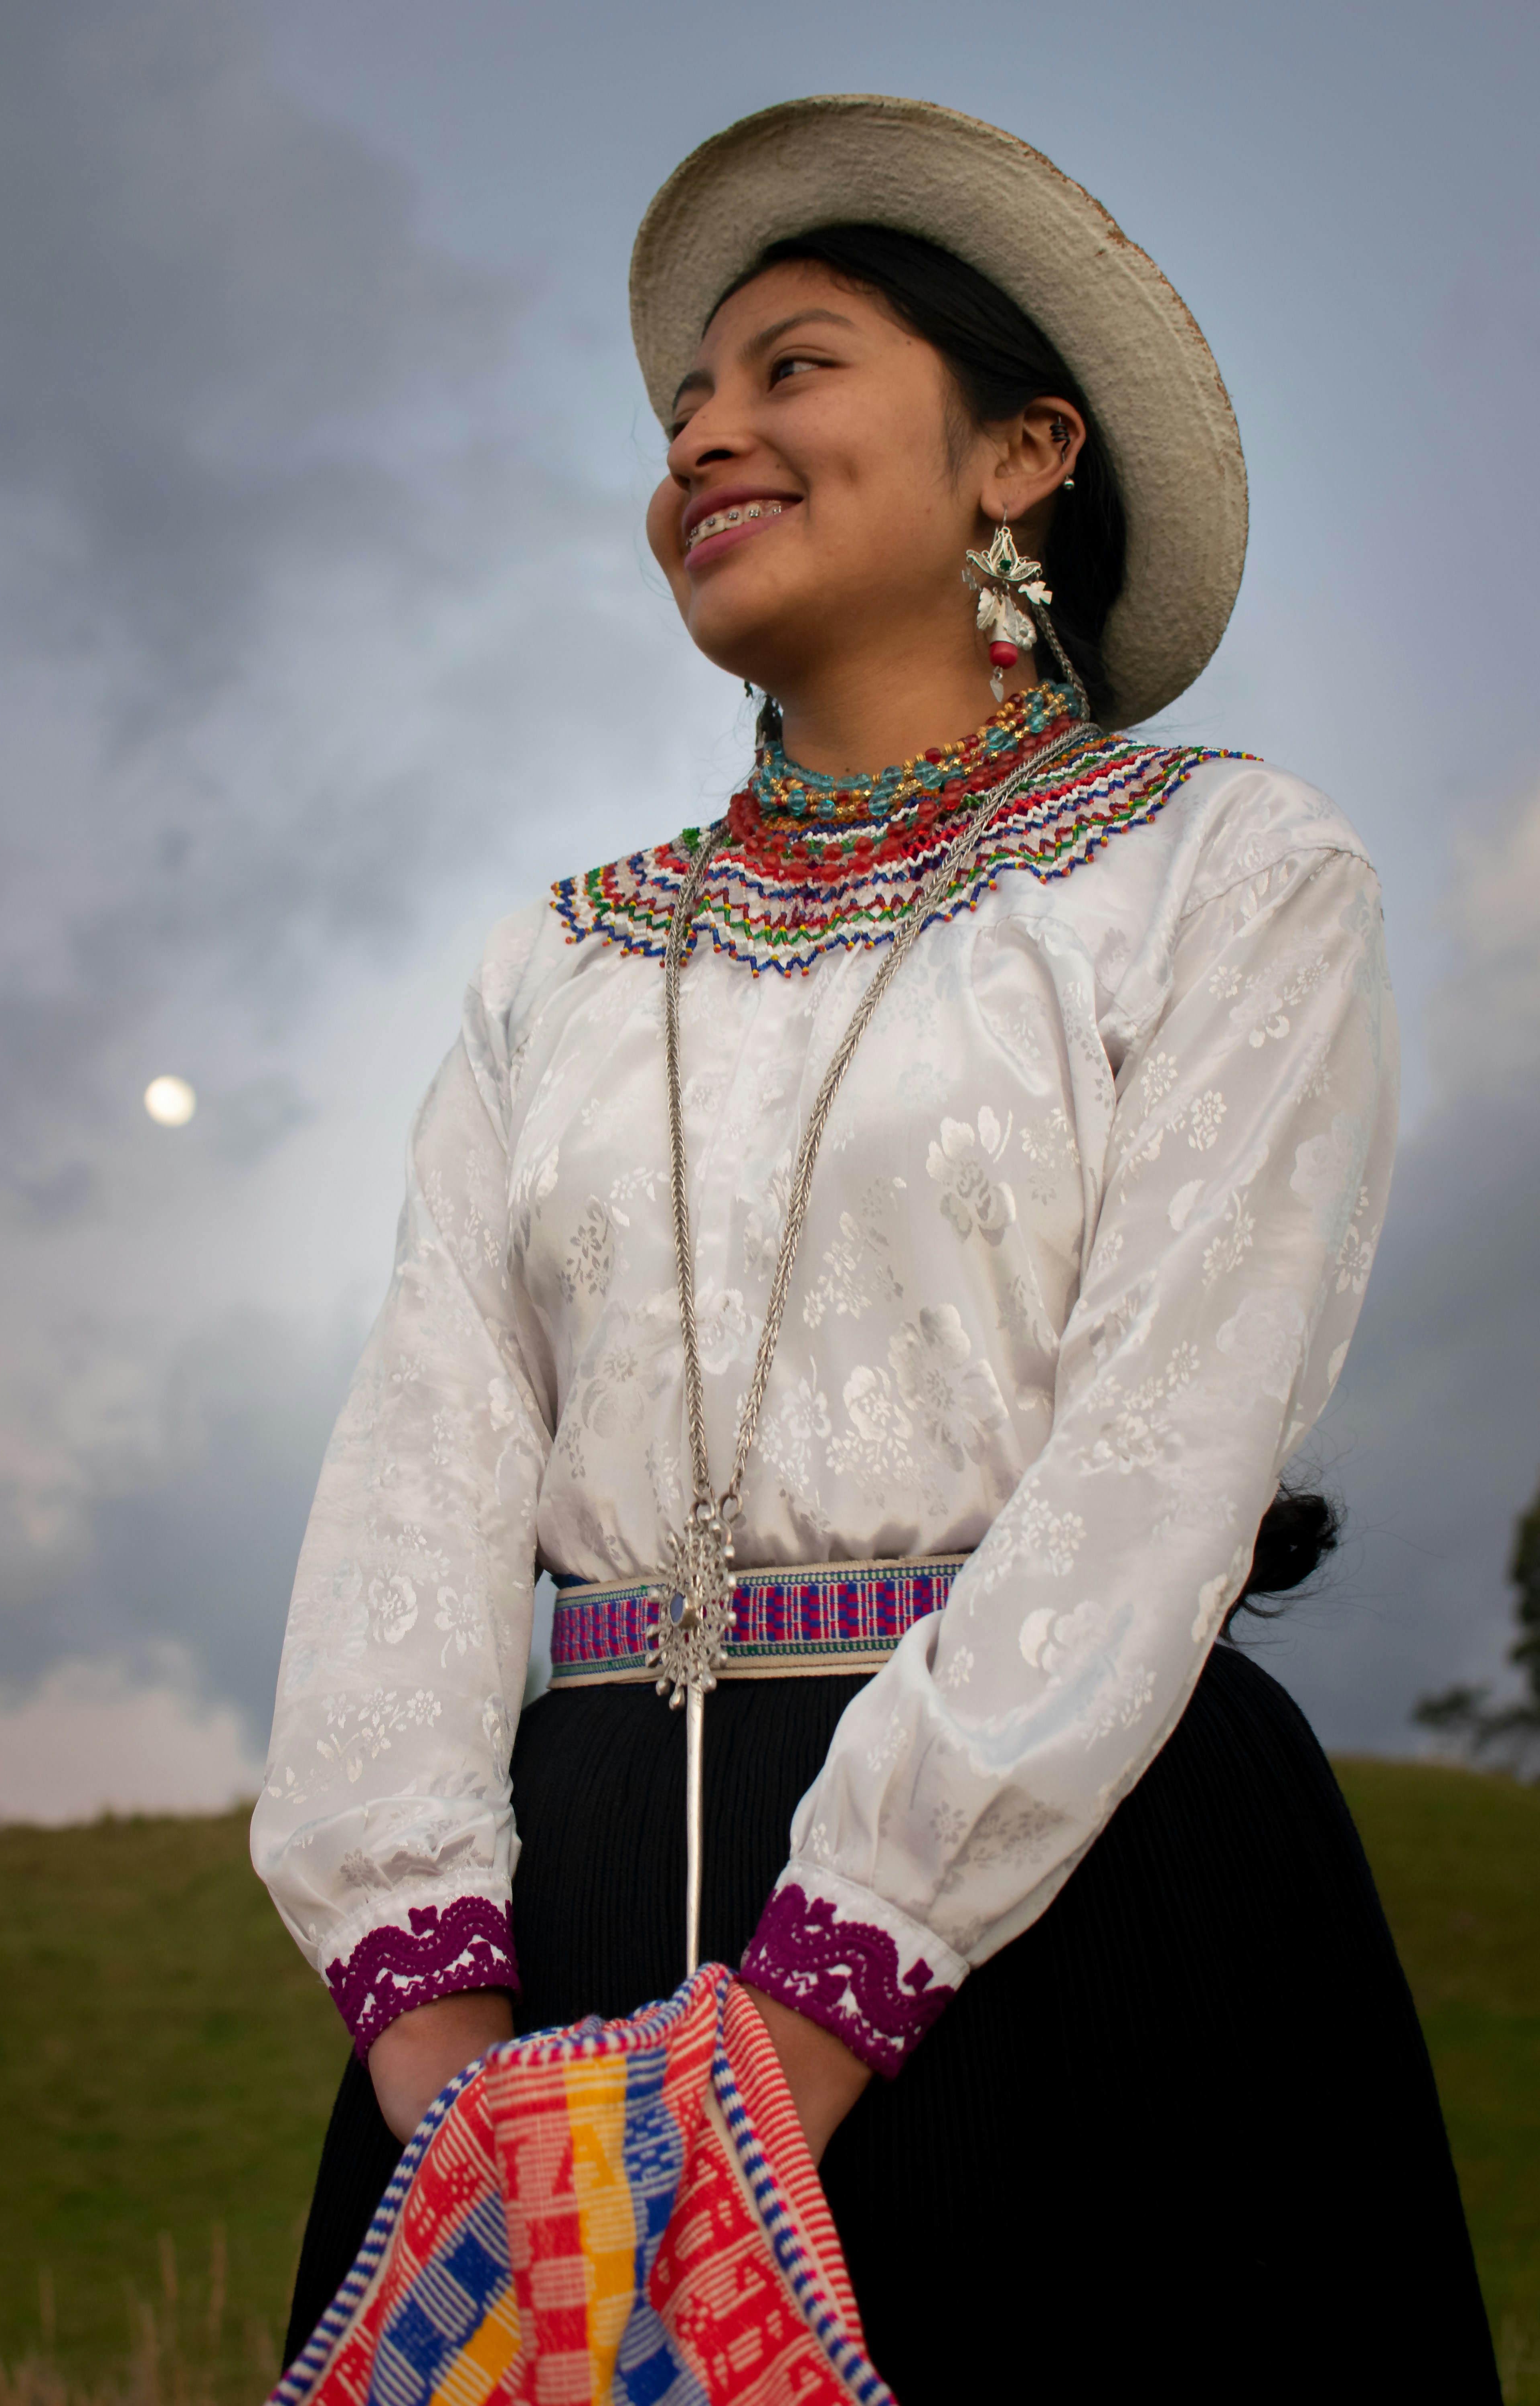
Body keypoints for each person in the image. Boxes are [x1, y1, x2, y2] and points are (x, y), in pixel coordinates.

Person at [253, 97, 1499, 2401]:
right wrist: (455, 2068)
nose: (706, 435)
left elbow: (1165, 1441)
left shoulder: (1226, 875)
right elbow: (416, 1476)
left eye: (789, 367)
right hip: (563, 1970)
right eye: (679, 410)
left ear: (1026, 453)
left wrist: (813, 2032)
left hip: (1071, 1926)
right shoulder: (566, 961)